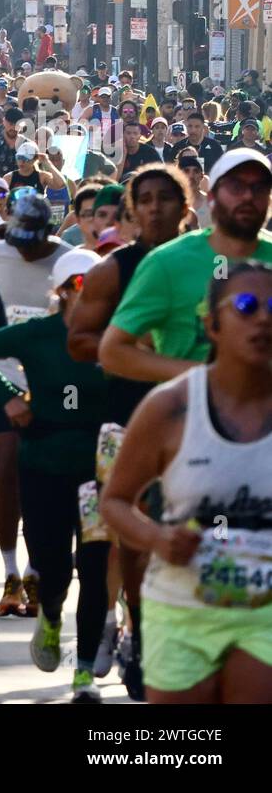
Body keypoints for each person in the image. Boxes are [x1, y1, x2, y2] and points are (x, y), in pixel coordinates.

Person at [102, 261, 272, 704]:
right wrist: (156, 536)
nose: (264, 319)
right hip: (181, 607)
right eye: (248, 306)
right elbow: (115, 502)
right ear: (212, 325)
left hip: (265, 613)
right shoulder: (171, 406)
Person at [66, 164, 191, 700]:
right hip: (122, 424)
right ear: (132, 211)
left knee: (203, 537)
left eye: (168, 198)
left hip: (197, 428)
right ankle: (133, 635)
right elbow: (79, 341)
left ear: (186, 208)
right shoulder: (114, 269)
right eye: (147, 199)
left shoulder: (214, 263)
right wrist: (136, 357)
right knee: (121, 544)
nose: (157, 208)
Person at [0, 249, 111, 702]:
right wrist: (8, 396)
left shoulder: (117, 337)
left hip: (99, 472)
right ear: (62, 291)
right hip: (45, 464)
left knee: (95, 567)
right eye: (78, 286)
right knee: (54, 568)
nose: (87, 296)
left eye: (97, 287)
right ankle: (50, 617)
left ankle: (85, 672)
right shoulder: (39, 334)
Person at [0, 189, 73, 617]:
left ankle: (35, 572)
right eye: (17, 240)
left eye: (31, 241)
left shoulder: (67, 261)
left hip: (51, 387)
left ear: (47, 232)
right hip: (1, 381)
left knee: (45, 484)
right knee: (5, 472)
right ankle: (9, 571)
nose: (23, 250)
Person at [101, 149, 272, 383]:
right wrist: (205, 378)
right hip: (189, 413)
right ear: (211, 198)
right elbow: (113, 351)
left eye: (260, 188)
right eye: (235, 187)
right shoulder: (166, 262)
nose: (247, 197)